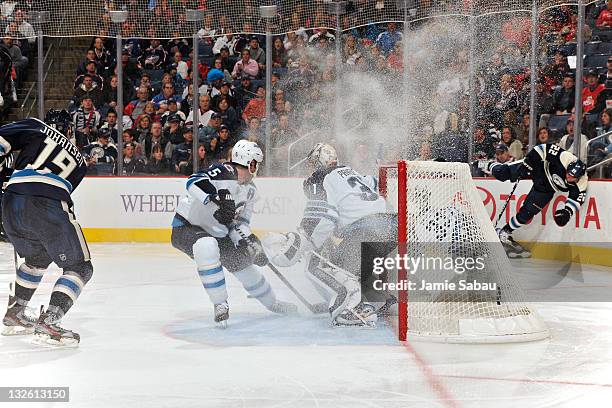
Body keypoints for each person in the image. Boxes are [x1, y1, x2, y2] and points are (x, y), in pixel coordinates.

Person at [263, 143, 396, 327]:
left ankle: (347, 307)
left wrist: (307, 242)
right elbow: (377, 185)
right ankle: (380, 299)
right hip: (391, 227)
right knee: (354, 263)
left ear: (319, 162)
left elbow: (322, 218)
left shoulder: (320, 178)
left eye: (312, 163)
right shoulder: (352, 172)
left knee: (323, 265)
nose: (310, 169)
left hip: (366, 230)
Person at [171, 140, 296, 327]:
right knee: (207, 247)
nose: (256, 168)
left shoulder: (251, 191)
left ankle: (273, 303)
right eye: (255, 163)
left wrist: (249, 241)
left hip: (219, 233)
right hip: (187, 227)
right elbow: (193, 181)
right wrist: (215, 197)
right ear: (247, 161)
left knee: (244, 265)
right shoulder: (223, 171)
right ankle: (220, 303)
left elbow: (241, 223)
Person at [0, 110, 92, 346]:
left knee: (37, 257)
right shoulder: (80, 162)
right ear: (69, 130)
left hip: (11, 201)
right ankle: (50, 321)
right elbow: (58, 189)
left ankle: (16, 313)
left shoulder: (36, 126)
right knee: (80, 267)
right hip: (47, 201)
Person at [489, 144, 588, 258]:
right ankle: (487, 164)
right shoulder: (565, 158)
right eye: (568, 173)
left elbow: (576, 200)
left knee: (527, 213)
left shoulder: (582, 182)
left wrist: (567, 212)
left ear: (579, 177)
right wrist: (530, 161)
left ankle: (504, 232)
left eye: (573, 177)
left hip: (546, 188)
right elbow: (542, 148)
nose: (569, 177)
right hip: (539, 166)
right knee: (502, 173)